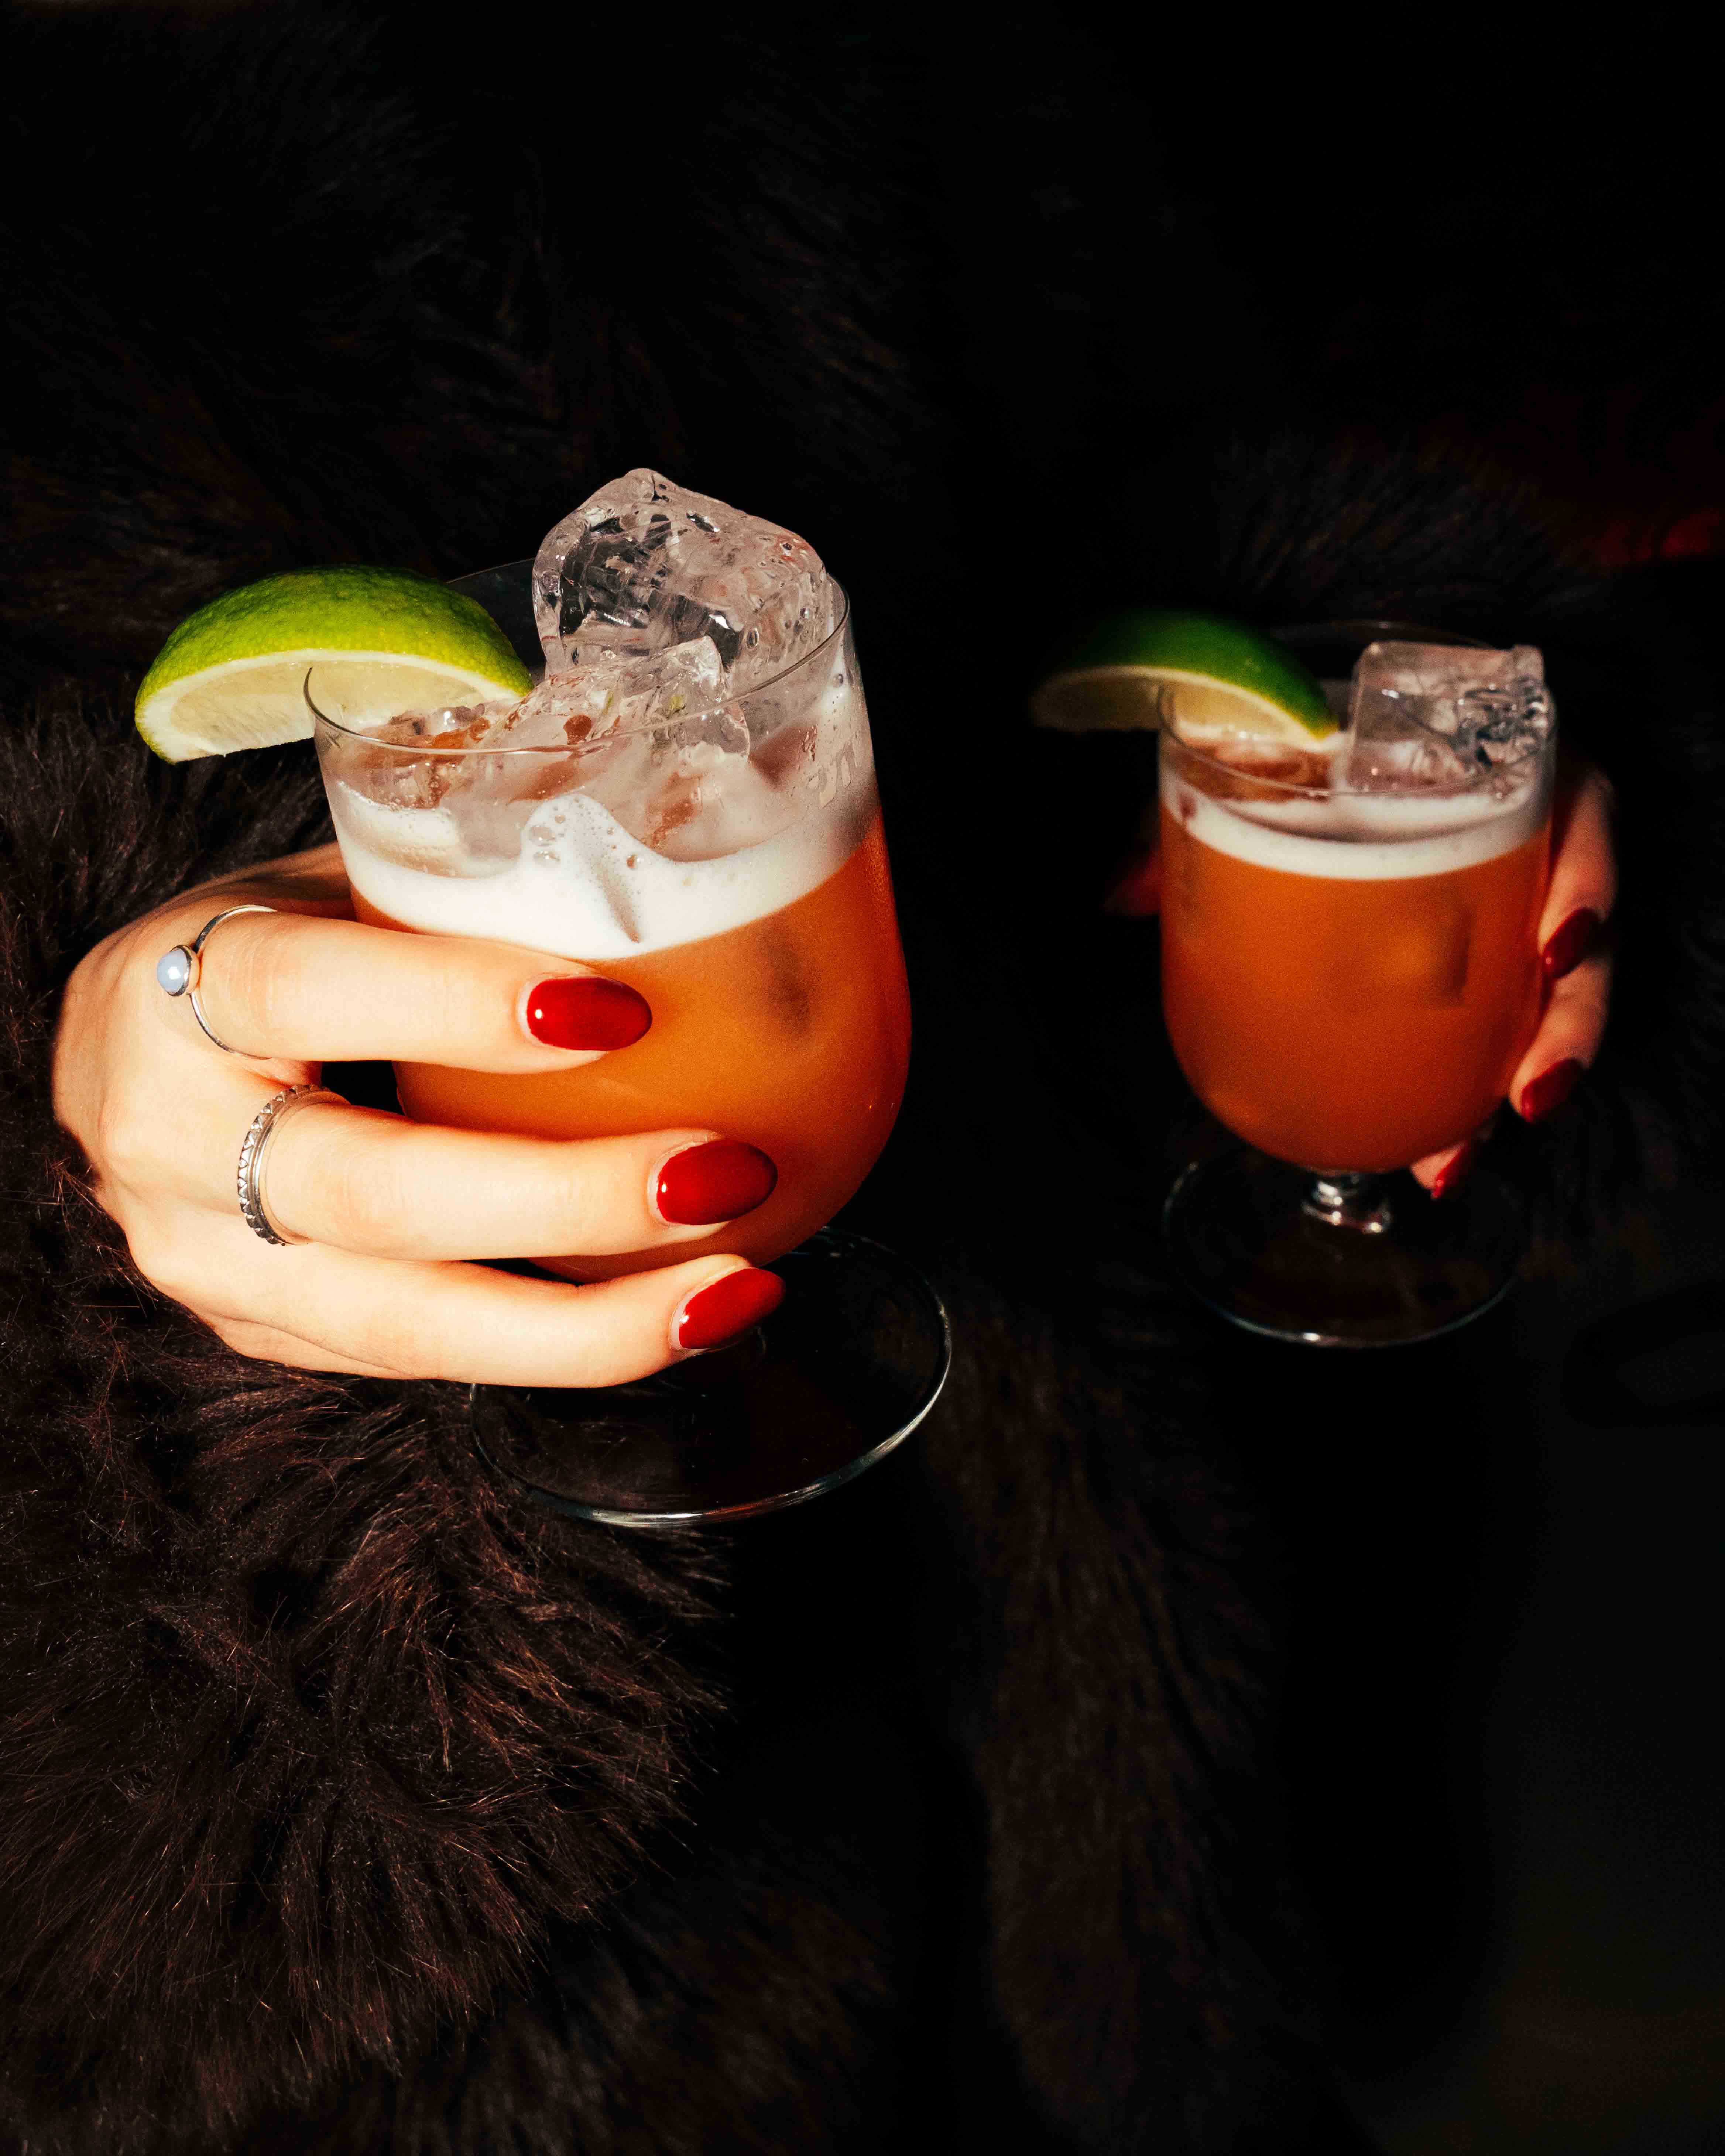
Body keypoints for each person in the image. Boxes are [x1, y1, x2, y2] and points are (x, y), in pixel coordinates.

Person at [4, 9, 1720, 2153]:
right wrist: (97, 1285)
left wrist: (1369, 683)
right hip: (524, 2005)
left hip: (1132, 1632)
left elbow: (1129, 463)